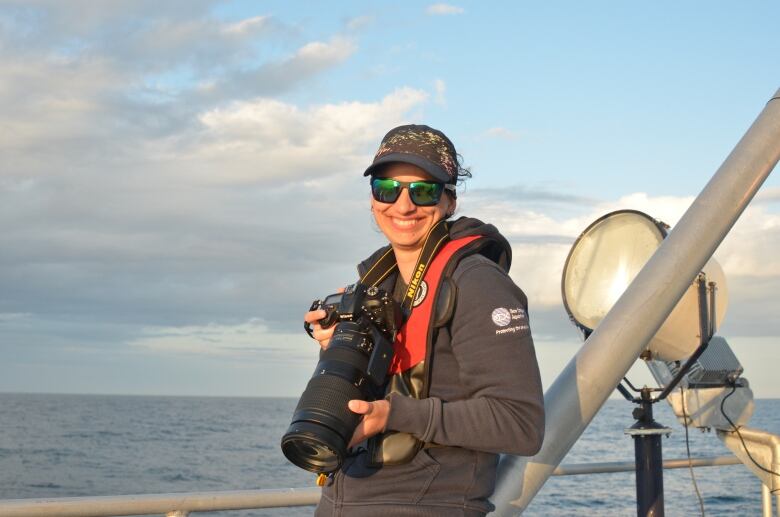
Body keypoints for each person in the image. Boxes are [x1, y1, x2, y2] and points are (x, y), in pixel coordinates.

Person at [304, 124, 545, 516]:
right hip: (342, 501)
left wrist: (394, 414)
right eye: (388, 189)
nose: (403, 206)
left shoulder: (478, 283)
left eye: (423, 191)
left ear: (449, 201)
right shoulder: (376, 285)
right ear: (371, 198)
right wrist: (341, 348)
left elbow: (521, 423)